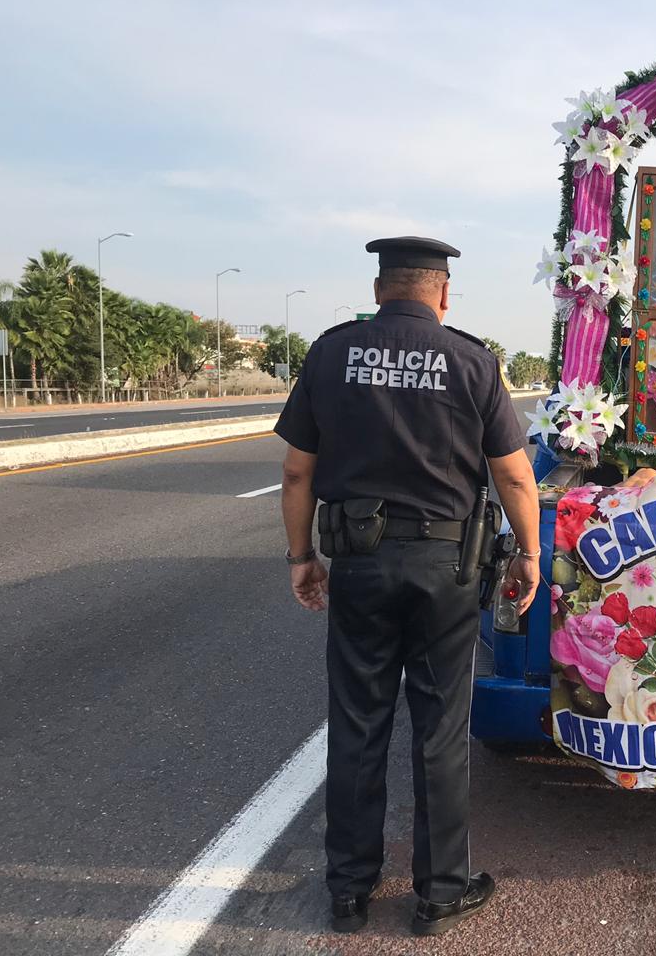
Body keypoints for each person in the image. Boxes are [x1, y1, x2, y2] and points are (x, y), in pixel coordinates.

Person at [274, 236, 541, 936]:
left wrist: (302, 557)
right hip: (446, 570)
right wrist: (530, 555)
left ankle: (348, 892)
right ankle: (439, 892)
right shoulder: (472, 360)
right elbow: (513, 474)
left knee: (359, 724)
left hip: (358, 563)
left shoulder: (332, 353)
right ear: (443, 294)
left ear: (377, 290)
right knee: (439, 731)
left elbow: (298, 472)